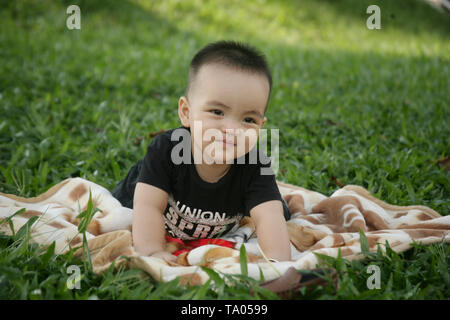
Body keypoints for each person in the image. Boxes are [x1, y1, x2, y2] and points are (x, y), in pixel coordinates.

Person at [111, 40, 291, 262]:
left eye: (248, 119)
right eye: (217, 111)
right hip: (144, 197)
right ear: (187, 113)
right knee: (120, 214)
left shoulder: (255, 164)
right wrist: (152, 253)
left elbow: (269, 220)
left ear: (260, 126)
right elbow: (148, 207)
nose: (232, 129)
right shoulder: (167, 150)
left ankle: (268, 198)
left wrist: (280, 266)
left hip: (212, 221)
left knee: (280, 213)